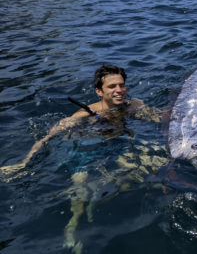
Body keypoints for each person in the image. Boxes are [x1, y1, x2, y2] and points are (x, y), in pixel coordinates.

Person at [0, 65, 163, 253]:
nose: (119, 90)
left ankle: (103, 201)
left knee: (156, 159)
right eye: (112, 86)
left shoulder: (134, 105)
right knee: (80, 189)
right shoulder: (84, 114)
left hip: (117, 145)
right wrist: (24, 163)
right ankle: (72, 228)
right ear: (99, 91)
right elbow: (47, 137)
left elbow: (160, 117)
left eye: (122, 85)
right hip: (86, 150)